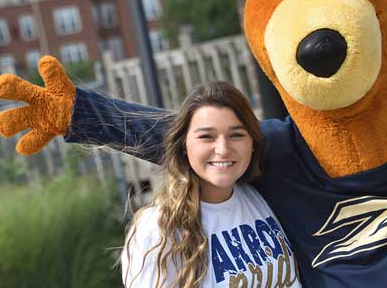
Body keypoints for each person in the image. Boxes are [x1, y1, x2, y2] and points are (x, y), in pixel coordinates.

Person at [121, 81, 300, 288]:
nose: (223, 149)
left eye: (236, 135)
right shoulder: (157, 229)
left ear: (252, 144)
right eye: (207, 137)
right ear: (184, 146)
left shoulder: (258, 196)